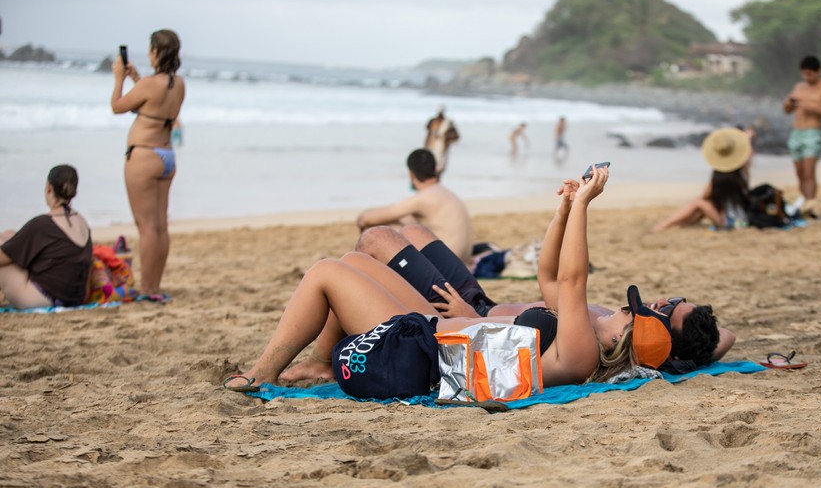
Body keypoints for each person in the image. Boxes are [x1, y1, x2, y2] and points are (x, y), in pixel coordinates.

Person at [225, 165, 643, 392]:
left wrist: (586, 205)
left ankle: (262, 373)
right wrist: (566, 208)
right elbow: (556, 278)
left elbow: (571, 280)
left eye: (632, 319)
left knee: (324, 273)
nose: (626, 310)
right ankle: (319, 365)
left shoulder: (581, 354)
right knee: (354, 259)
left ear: (616, 347)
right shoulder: (581, 337)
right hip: (434, 329)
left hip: (424, 347)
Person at [280, 221, 734, 384]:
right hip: (480, 305)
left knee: (374, 243)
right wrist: (693, 349)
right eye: (672, 299)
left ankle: (325, 352)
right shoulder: (614, 334)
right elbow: (722, 341)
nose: (656, 302)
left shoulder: (587, 344)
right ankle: (339, 322)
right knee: (413, 233)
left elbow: (569, 279)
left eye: (664, 310)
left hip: (463, 317)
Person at [110, 29, 185, 300]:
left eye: (150, 49)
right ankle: (154, 286)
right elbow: (153, 102)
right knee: (160, 226)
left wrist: (119, 78)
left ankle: (147, 288)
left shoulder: (149, 85)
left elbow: (117, 106)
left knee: (147, 228)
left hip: (143, 156)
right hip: (166, 156)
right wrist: (136, 78)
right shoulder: (178, 84)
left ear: (156, 52)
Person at [356, 148, 474, 264]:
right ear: (435, 169)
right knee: (403, 223)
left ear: (411, 174)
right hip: (461, 260)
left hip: (447, 264)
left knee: (379, 231)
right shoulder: (444, 192)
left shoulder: (424, 197)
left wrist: (363, 219)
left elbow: (367, 218)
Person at [1, 165, 92, 309]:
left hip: (45, 299)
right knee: (9, 235)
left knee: (4, 262)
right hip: (75, 298)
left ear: (49, 188)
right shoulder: (82, 222)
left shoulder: (42, 224)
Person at [652, 127, 752, 230]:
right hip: (742, 219)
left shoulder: (719, 176)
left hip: (732, 222)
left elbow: (705, 195)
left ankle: (664, 225)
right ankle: (677, 225)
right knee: (701, 208)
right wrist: (746, 139)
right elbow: (748, 157)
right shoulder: (742, 173)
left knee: (699, 202)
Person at [783, 55, 821, 204]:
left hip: (813, 132)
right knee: (800, 172)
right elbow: (787, 110)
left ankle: (810, 203)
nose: (807, 77)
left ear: (818, 71)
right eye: (804, 74)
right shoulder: (799, 87)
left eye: (810, 74)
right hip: (797, 132)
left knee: (809, 172)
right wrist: (788, 103)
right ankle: (802, 203)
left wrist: (811, 107)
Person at [424, 106, 459, 175]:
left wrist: (445, 137)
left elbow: (456, 136)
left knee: (439, 167)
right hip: (432, 146)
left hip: (442, 147)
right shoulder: (433, 121)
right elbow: (428, 133)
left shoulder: (447, 122)